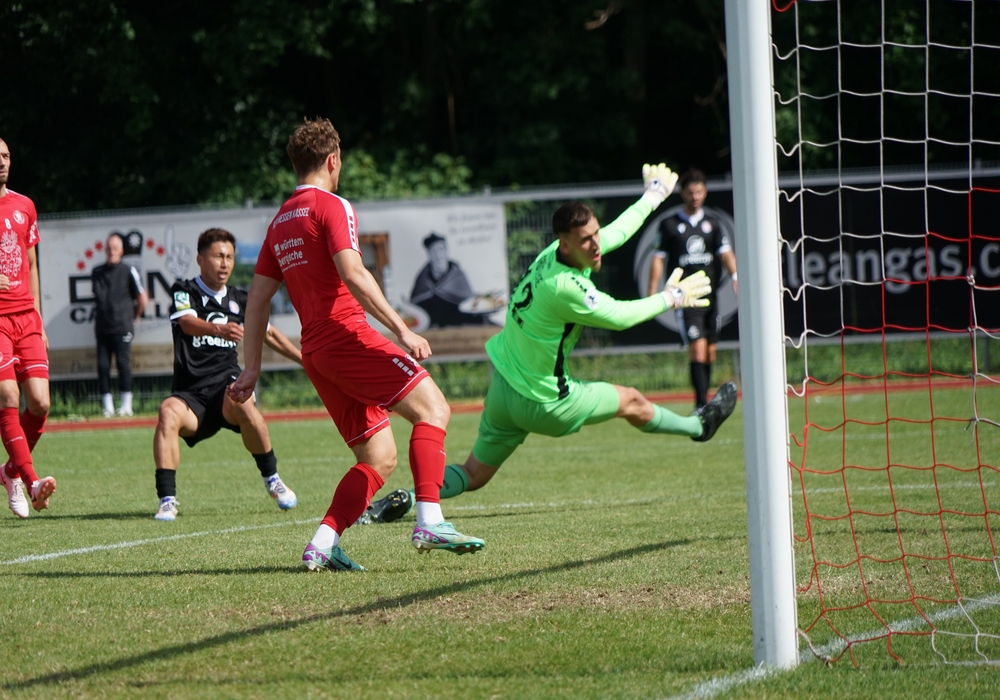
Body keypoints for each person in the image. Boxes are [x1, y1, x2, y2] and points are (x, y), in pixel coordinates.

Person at [359, 164, 738, 525]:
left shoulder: (553, 254)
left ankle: (409, 497)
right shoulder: (566, 287)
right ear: (566, 243)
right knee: (633, 400)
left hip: (504, 391)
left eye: (595, 234)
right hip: (546, 402)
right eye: (587, 240)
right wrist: (671, 297)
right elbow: (621, 316)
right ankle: (698, 426)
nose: (596, 245)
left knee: (473, 473)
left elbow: (617, 233)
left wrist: (652, 196)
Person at [228, 117, 484, 572]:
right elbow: (353, 272)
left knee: (378, 456)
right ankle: (430, 521)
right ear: (333, 160)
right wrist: (402, 330)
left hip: (317, 353)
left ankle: (323, 543)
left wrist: (251, 368)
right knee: (434, 409)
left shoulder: (279, 222)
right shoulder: (331, 205)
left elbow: (257, 301)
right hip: (347, 338)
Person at [153, 228, 302, 521]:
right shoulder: (184, 290)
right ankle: (167, 500)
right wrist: (219, 328)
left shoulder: (241, 299)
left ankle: (272, 479)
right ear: (200, 259)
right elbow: (187, 323)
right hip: (191, 395)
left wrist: (304, 360)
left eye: (230, 257)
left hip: (226, 386)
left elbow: (270, 335)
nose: (225, 263)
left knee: (242, 401)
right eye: (218, 256)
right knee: (167, 411)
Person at [647, 168, 738, 409]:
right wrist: (652, 291)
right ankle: (700, 405)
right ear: (682, 194)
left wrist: (736, 276)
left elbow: (725, 253)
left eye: (699, 192)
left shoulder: (713, 224)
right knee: (697, 351)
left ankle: (703, 401)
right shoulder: (669, 224)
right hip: (686, 299)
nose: (695, 197)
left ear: (705, 192)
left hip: (710, 297)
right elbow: (658, 259)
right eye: (690, 192)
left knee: (709, 353)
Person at [0, 137, 57, 519]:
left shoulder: (25, 206)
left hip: (26, 318)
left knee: (40, 403)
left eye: (5, 156)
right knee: (8, 395)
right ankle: (31, 481)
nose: (2, 162)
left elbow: (32, 265)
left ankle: (9, 472)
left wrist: (38, 317)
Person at [92, 231, 147, 417]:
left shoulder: (128, 270)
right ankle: (107, 407)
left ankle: (126, 406)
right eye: (109, 248)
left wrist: (133, 317)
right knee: (103, 366)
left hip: (122, 327)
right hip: (102, 328)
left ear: (122, 250)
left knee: (123, 365)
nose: (111, 251)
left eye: (115, 248)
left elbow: (142, 298)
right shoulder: (97, 272)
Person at [409, 232, 480, 327]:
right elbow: (414, 309)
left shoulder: (458, 276)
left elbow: (471, 305)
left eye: (441, 249)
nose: (438, 255)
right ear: (428, 254)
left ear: (447, 252)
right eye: (434, 251)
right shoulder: (422, 279)